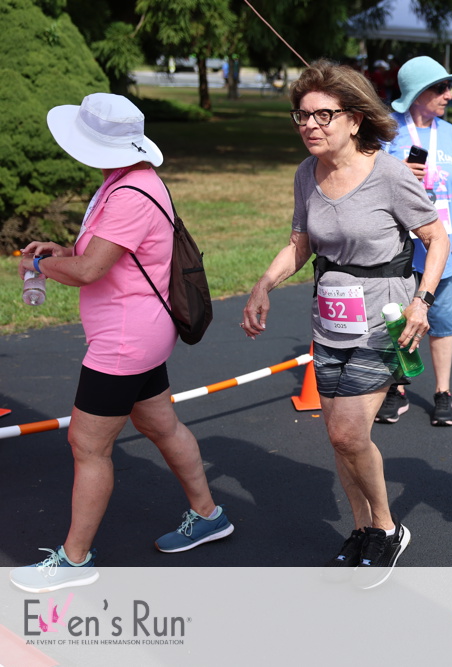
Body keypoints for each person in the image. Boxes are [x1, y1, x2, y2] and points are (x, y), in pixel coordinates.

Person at [9, 93, 233, 594]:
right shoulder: (129, 179)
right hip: (139, 333)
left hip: (124, 342)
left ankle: (74, 559)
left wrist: (41, 264)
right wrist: (62, 249)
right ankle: (209, 515)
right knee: (159, 424)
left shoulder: (130, 191)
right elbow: (110, 252)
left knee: (87, 444)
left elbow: (91, 270)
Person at [240, 61, 448, 587]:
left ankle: (388, 528)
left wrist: (422, 301)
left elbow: (437, 238)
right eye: (302, 115)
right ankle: (361, 528)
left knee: (349, 432)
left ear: (354, 120)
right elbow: (299, 245)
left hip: (384, 319)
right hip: (330, 320)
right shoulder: (306, 174)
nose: (310, 125)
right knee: (339, 439)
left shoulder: (389, 174)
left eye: (323, 115)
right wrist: (264, 284)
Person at [376, 56, 452, 427]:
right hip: (398, 247)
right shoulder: (387, 130)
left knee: (441, 321)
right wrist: (397, 171)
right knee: (397, 319)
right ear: (417, 93)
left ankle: (442, 392)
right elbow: (367, 183)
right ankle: (397, 387)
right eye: (440, 88)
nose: (449, 94)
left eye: (448, 87)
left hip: (440, 246)